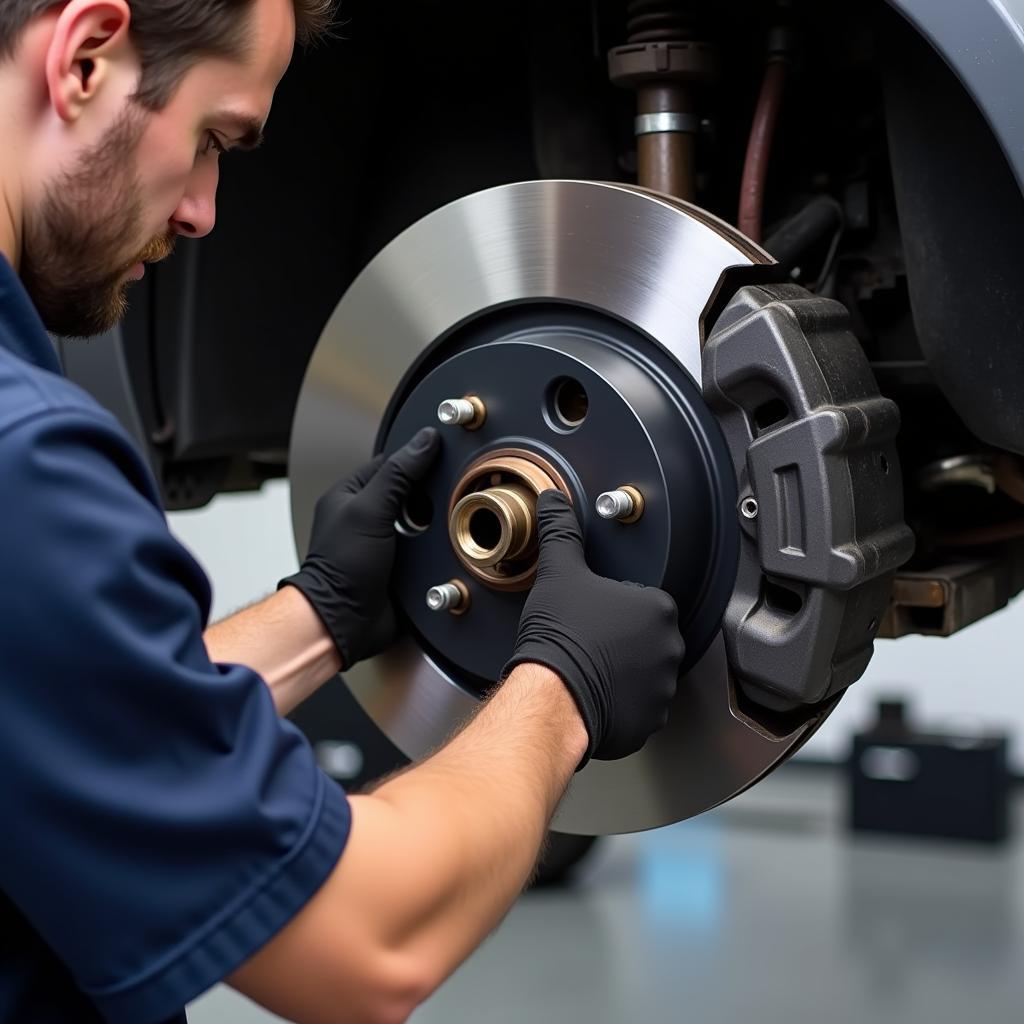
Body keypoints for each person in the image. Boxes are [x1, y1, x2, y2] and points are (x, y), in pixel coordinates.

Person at [0, 2, 687, 1022]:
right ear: (87, 56)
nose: (202, 211)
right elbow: (368, 940)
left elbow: (65, 719)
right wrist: (563, 686)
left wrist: (320, 611)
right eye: (211, 140)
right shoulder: (27, 463)